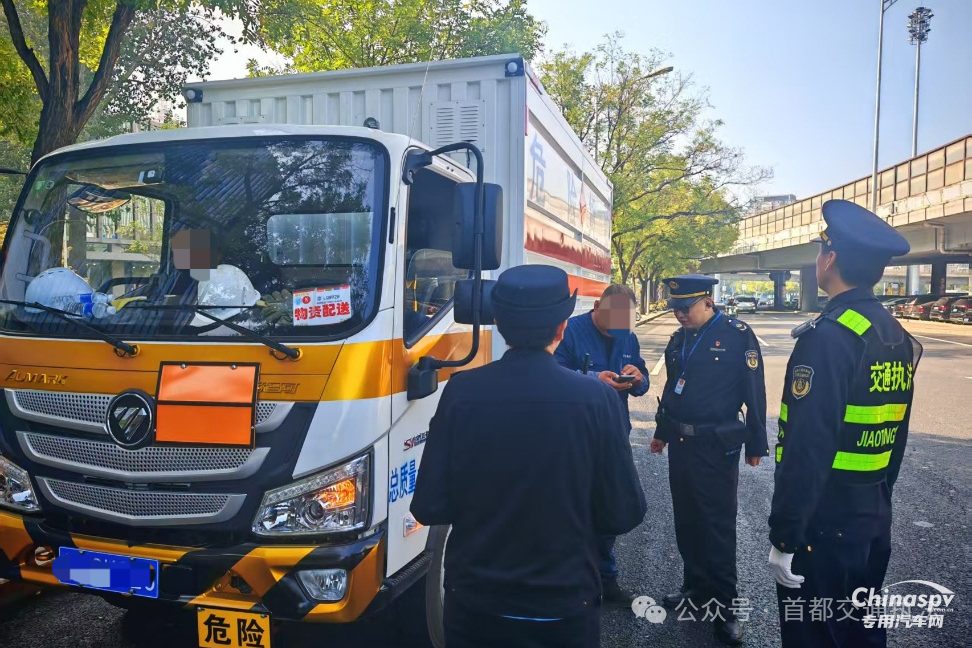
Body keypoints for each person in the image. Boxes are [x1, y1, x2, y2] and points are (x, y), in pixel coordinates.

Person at [410, 264, 647, 648]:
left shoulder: (461, 392)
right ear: (562, 327)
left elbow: (430, 506)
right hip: (564, 605)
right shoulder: (596, 399)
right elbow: (624, 511)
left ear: (499, 324)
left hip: (476, 606)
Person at [767, 200, 920, 648]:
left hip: (824, 527)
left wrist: (786, 535)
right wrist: (879, 502)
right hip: (871, 516)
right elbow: (897, 437)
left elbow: (807, 448)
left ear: (830, 259)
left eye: (820, 251)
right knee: (860, 632)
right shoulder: (892, 332)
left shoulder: (830, 338)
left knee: (814, 634)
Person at [650, 274, 768, 646]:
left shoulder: (736, 334)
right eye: (675, 309)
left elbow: (755, 390)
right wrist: (661, 432)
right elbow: (672, 389)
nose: (679, 314)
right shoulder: (679, 338)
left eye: (686, 308)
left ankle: (727, 608)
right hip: (682, 443)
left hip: (717, 446)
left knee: (716, 526)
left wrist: (756, 443)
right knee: (687, 519)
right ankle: (696, 589)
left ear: (708, 302)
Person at [554, 283, 650, 604]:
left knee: (609, 506)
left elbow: (643, 381)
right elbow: (554, 374)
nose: (617, 330)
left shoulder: (627, 334)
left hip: (613, 435)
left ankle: (607, 578)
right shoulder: (571, 332)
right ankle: (573, 579)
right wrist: (593, 382)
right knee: (574, 508)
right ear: (597, 306)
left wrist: (638, 378)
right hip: (575, 438)